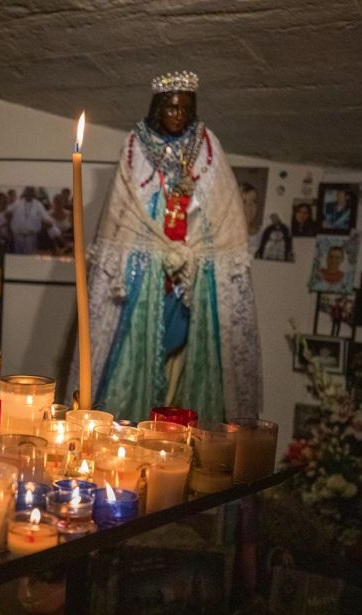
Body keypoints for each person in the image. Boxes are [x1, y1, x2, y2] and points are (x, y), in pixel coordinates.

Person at [70, 71, 261, 423]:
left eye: (185, 109)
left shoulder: (205, 145)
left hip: (192, 271)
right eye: (171, 108)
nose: (177, 116)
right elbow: (123, 213)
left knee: (188, 350)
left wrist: (193, 248)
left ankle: (175, 422)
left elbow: (221, 209)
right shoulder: (135, 145)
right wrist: (150, 248)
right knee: (136, 346)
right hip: (144, 273)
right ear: (159, 108)